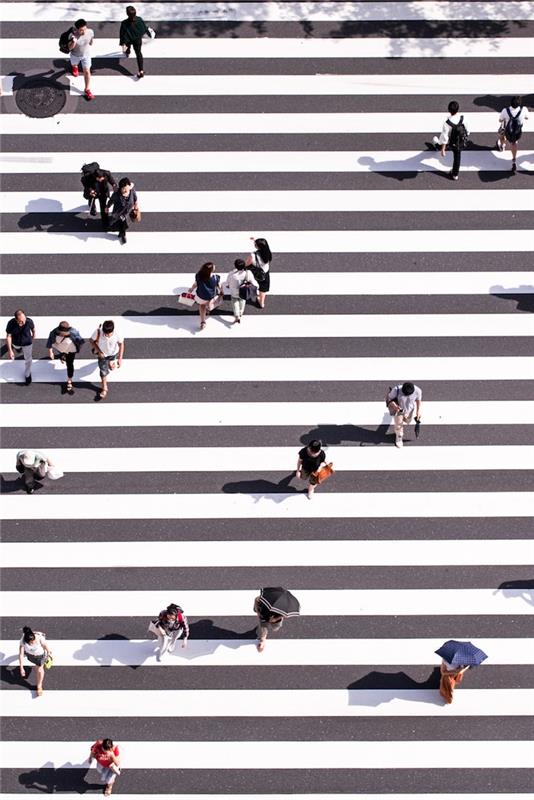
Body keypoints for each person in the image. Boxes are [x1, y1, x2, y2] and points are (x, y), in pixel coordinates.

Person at [432, 100, 468, 181]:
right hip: (460, 141)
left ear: (449, 110)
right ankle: (455, 174)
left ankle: (437, 146)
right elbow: (467, 129)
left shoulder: (447, 123)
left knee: (443, 145)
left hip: (452, 141)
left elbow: (445, 137)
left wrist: (443, 149)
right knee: (457, 157)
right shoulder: (463, 118)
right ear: (458, 109)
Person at [47, 321, 84, 395]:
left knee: (69, 364)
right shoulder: (54, 332)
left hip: (71, 351)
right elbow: (50, 341)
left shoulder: (74, 332)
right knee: (62, 353)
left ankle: (69, 380)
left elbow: (81, 341)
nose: (61, 334)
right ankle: (63, 355)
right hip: (61, 349)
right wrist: (50, 352)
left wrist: (77, 347)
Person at [90, 320, 125, 400]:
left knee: (111, 366)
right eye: (105, 334)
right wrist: (99, 352)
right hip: (102, 355)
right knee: (103, 371)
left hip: (113, 353)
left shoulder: (118, 333)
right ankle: (104, 388)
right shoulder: (98, 332)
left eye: (109, 334)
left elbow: (121, 344)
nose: (107, 336)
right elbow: (91, 340)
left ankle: (109, 363)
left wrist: (120, 358)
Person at [497, 96, 529, 174]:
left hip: (508, 130)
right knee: (514, 144)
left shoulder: (505, 110)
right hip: (517, 132)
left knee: (501, 135)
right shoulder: (524, 110)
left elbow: (500, 120)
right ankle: (514, 160)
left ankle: (502, 145)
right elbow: (527, 117)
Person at [386, 381, 422, 448]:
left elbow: (418, 400)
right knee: (399, 424)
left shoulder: (418, 391)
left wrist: (418, 411)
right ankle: (399, 436)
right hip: (399, 409)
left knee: (408, 421)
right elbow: (389, 398)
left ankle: (402, 423)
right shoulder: (396, 390)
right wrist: (395, 406)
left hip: (409, 410)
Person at [189, 261, 223, 330]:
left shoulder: (199, 276)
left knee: (202, 305)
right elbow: (219, 285)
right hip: (211, 296)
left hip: (201, 295)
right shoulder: (215, 278)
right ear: (211, 270)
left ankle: (203, 322)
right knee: (213, 302)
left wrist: (191, 289)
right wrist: (222, 291)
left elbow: (195, 284)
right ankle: (209, 308)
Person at [18, 626, 52, 696]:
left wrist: (49, 653)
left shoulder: (39, 637)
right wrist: (21, 668)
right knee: (37, 668)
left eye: (34, 640)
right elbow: (21, 654)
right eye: (31, 642)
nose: (33, 642)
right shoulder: (23, 641)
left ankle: (39, 686)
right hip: (30, 656)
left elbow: (45, 646)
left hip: (40, 656)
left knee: (39, 670)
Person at [5, 309, 35, 385]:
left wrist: (34, 335)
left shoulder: (29, 321)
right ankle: (17, 349)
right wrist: (10, 350)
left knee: (28, 359)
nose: (23, 322)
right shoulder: (11, 323)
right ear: (16, 320)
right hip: (16, 343)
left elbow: (33, 329)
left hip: (27, 343)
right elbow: (9, 336)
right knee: (17, 349)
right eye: (21, 321)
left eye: (24, 319)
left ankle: (27, 374)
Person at [119, 5, 150, 79]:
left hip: (128, 40)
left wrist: (122, 42)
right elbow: (144, 28)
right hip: (137, 40)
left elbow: (122, 33)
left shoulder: (124, 23)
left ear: (127, 14)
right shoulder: (139, 19)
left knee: (127, 48)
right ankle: (141, 70)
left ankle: (127, 52)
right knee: (138, 53)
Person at [106, 177, 139, 244]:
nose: (125, 190)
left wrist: (136, 205)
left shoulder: (131, 190)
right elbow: (111, 201)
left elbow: (135, 198)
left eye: (126, 188)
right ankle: (120, 232)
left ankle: (122, 234)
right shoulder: (117, 194)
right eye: (123, 188)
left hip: (127, 212)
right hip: (118, 212)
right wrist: (107, 207)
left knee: (123, 223)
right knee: (117, 221)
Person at [68, 18, 95, 101]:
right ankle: (75, 67)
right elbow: (69, 48)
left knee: (87, 71)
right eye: (81, 30)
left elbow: (91, 40)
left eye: (84, 29)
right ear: (76, 29)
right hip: (75, 55)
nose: (83, 32)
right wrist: (73, 42)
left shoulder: (90, 32)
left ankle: (87, 89)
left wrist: (91, 42)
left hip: (86, 55)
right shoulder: (72, 36)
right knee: (74, 64)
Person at [225, 258, 259, 324]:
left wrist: (228, 285)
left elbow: (227, 282)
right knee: (242, 301)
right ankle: (241, 312)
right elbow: (254, 282)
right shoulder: (248, 273)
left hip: (234, 292)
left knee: (235, 302)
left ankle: (237, 315)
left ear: (235, 266)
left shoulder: (231, 274)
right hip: (244, 292)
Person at [246, 237, 272, 309]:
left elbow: (247, 264)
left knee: (252, 282)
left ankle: (252, 292)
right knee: (263, 288)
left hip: (255, 273)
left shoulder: (253, 255)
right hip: (264, 273)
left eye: (255, 244)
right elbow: (262, 246)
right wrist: (255, 240)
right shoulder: (268, 253)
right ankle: (261, 303)